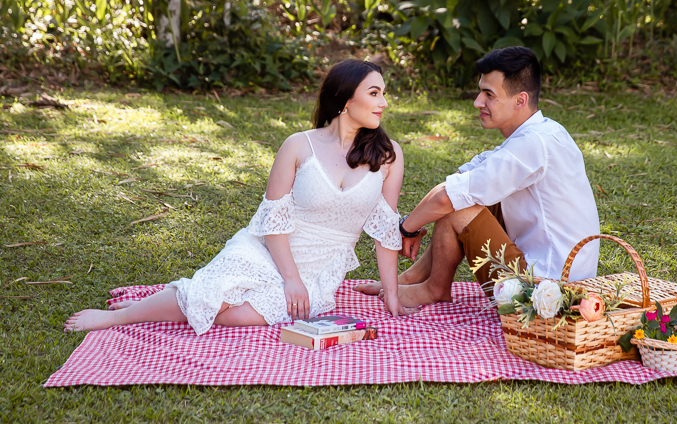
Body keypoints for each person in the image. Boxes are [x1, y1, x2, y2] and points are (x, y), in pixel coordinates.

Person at [64, 59, 416, 334]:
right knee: (212, 296)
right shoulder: (298, 145)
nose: (383, 102)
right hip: (267, 249)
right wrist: (289, 278)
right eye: (374, 93)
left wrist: (392, 295)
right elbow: (273, 220)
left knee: (241, 316)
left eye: (383, 93)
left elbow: (386, 232)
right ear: (343, 97)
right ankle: (121, 318)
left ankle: (174, 302)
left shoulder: (389, 155)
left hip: (320, 269)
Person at [356, 47, 601, 307]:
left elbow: (446, 199)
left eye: (489, 95)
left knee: (456, 203)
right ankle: (413, 277)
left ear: (520, 100)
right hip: (552, 278)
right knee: (461, 193)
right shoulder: (542, 132)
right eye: (480, 91)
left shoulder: (533, 143)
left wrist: (407, 228)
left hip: (548, 292)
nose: (477, 102)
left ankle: (434, 289)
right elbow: (463, 176)